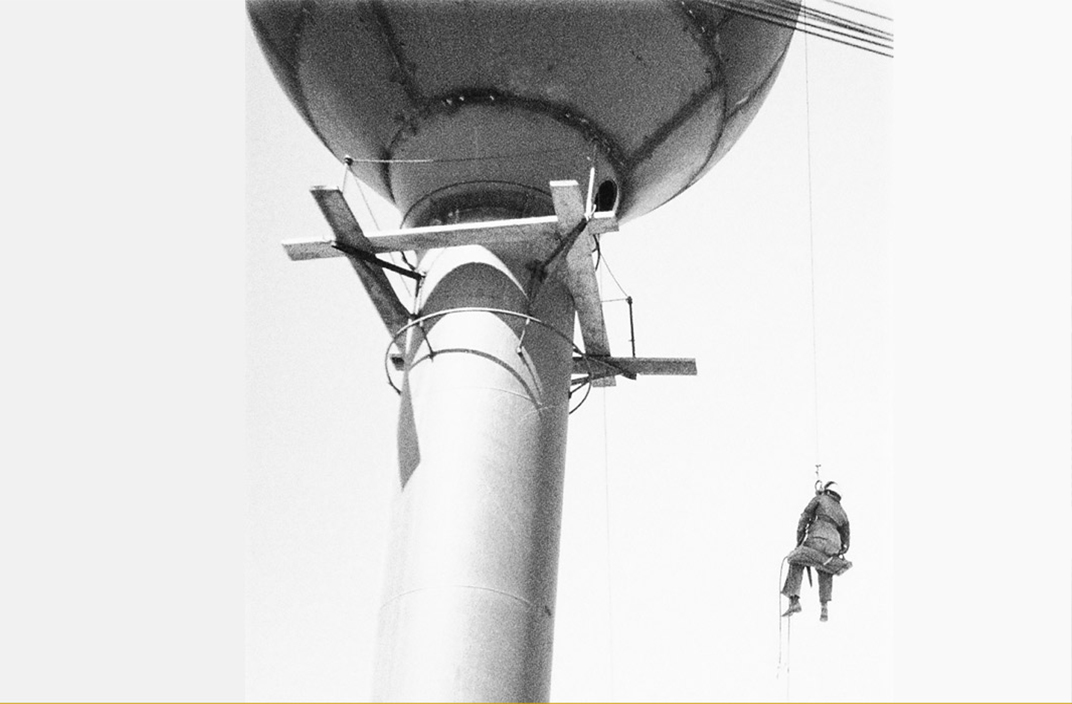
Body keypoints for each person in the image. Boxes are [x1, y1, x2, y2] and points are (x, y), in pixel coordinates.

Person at [781, 481, 851, 622]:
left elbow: (804, 518)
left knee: (796, 558)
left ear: (826, 491)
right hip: (833, 548)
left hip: (816, 541)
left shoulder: (819, 499)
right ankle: (824, 608)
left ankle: (794, 600)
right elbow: (846, 539)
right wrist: (840, 549)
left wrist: (799, 541)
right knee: (825, 565)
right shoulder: (843, 512)